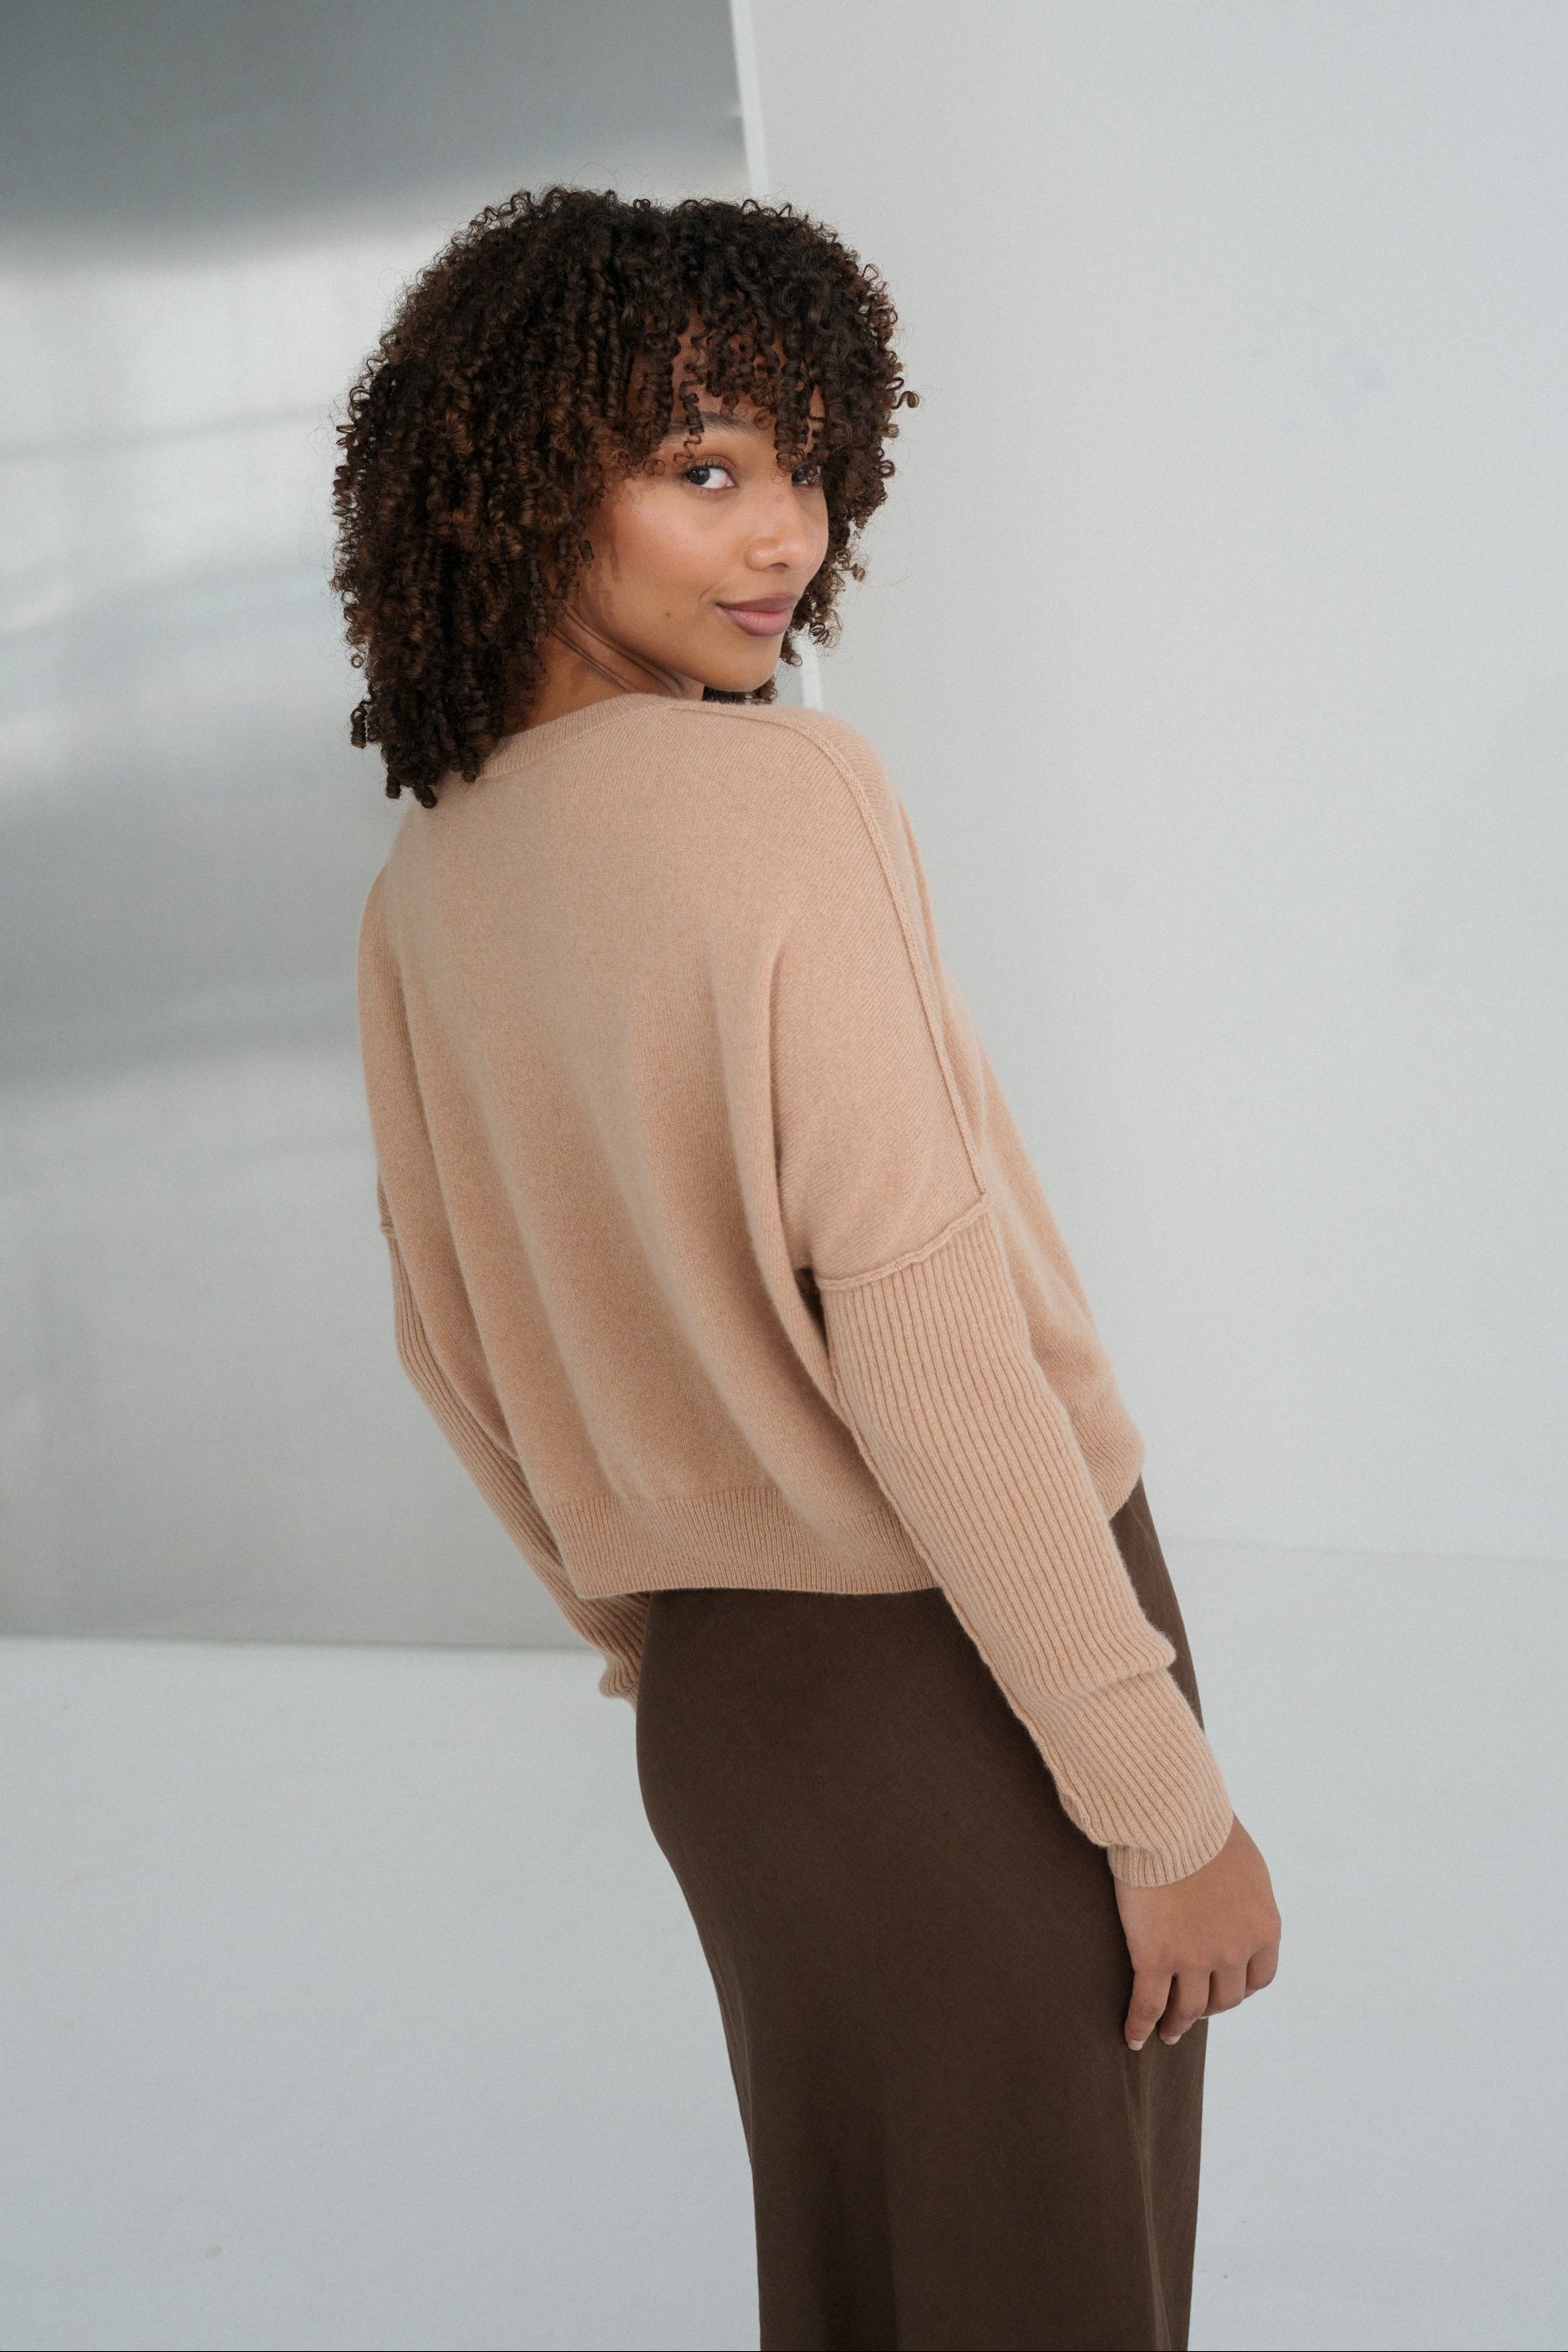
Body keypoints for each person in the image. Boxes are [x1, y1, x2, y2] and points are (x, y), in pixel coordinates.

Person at [332, 184, 1281, 2352]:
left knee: (859, 2293)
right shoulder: (785, 795)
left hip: (734, 1724)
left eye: (811, 466)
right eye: (706, 466)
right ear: (512, 466)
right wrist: (1160, 1794)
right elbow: (925, 1315)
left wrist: (657, 1617)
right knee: (1059, 2296)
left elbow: (447, 1341)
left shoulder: (429, 880)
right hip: (982, 1689)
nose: (785, 534)